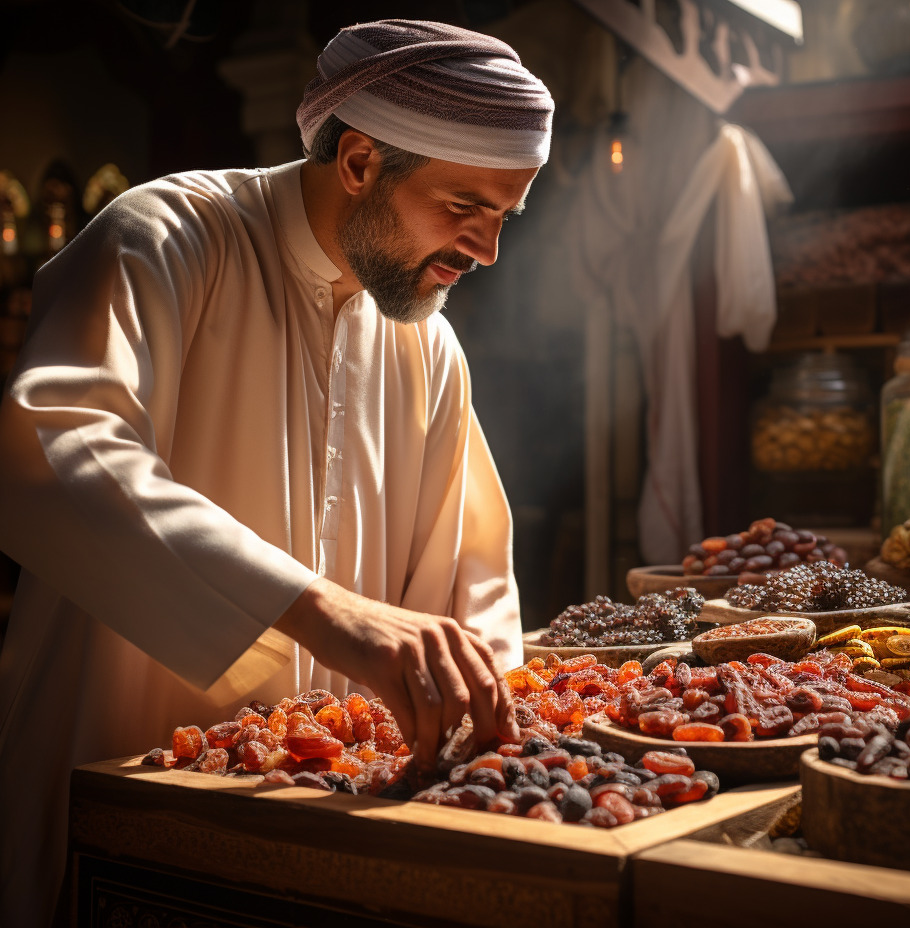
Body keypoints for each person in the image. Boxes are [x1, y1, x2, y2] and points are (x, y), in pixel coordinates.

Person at [0, 20, 554, 926]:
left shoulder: (431, 349)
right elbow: (48, 451)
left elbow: (469, 590)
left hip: (320, 844)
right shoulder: (166, 239)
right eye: (464, 206)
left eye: (504, 215)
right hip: (115, 829)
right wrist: (322, 611)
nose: (486, 249)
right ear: (362, 162)